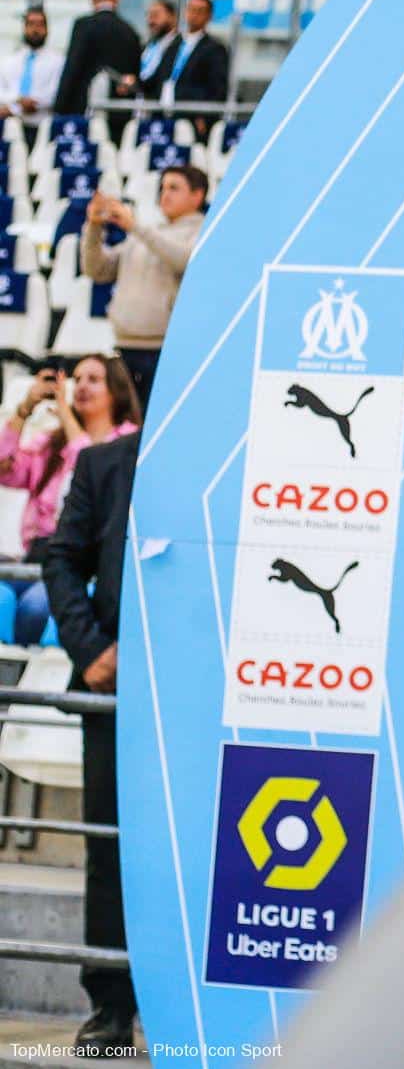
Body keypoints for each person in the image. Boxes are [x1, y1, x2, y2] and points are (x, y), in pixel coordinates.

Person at [42, 429, 139, 1053]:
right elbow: (61, 558)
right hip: (114, 693)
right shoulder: (103, 465)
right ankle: (110, 1008)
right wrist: (92, 649)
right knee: (109, 850)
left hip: (209, 695)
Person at [0, 357, 141, 645]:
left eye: (93, 379)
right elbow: (5, 469)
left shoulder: (127, 442)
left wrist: (65, 413)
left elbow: (91, 468)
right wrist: (24, 410)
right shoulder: (52, 443)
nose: (81, 387)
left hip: (84, 563)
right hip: (37, 556)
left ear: (117, 389)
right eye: (77, 379)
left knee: (36, 609)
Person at [81, 164, 208, 408]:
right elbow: (97, 270)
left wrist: (135, 226)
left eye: (174, 188)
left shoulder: (203, 229)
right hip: (124, 345)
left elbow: (185, 260)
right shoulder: (147, 232)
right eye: (162, 188)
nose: (165, 194)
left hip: (165, 350)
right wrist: (94, 227)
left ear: (197, 195)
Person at [53, 0, 140, 117]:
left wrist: (59, 108)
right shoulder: (130, 31)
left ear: (93, 0)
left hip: (82, 110)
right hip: (117, 114)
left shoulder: (83, 26)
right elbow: (134, 75)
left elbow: (72, 68)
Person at [138, 0, 230, 118]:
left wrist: (204, 117)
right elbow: (158, 76)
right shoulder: (175, 43)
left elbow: (217, 89)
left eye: (200, 11)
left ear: (208, 16)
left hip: (189, 113)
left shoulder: (214, 48)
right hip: (162, 110)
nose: (194, 15)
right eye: (191, 9)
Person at [0, 6, 59, 122]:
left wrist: (16, 108)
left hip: (42, 125)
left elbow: (54, 94)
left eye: (40, 25)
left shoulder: (58, 62)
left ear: (47, 29)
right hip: (9, 124)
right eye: (31, 24)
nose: (35, 29)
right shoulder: (9, 61)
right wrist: (18, 99)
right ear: (24, 28)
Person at [118, 0, 178, 101]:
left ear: (172, 17)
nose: (151, 21)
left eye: (156, 15)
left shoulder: (179, 46)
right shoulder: (148, 46)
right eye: (149, 15)